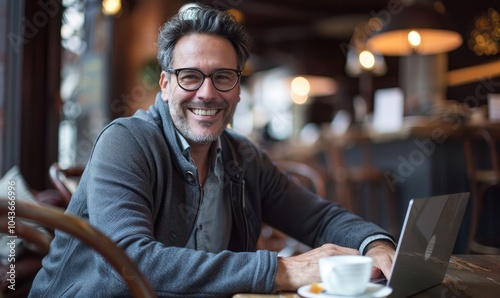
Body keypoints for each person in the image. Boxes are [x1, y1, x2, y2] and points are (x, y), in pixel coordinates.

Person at [29, 5, 395, 297]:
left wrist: (374, 244)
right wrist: (282, 270)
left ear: (237, 88)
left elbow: (318, 219)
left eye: (223, 77)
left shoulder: (244, 156)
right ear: (165, 84)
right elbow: (129, 262)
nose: (207, 93)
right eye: (190, 76)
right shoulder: (126, 142)